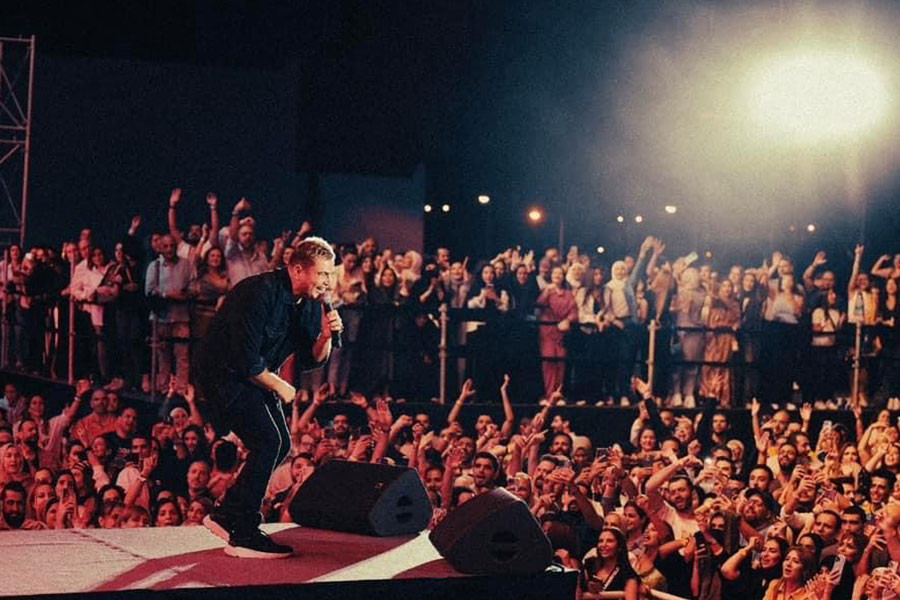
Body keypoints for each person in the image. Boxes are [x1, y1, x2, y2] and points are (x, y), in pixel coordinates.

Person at [197, 236, 342, 558]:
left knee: (282, 444)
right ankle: (244, 531)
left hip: (256, 378)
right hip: (222, 377)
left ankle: (227, 513)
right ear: (298, 269)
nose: (327, 282)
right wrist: (280, 386)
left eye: (330, 275)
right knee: (268, 441)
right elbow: (245, 361)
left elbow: (313, 359)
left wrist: (326, 336)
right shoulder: (257, 292)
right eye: (322, 274)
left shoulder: (308, 303)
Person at [582, 526, 641, 600]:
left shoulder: (627, 575)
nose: (603, 545)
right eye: (601, 541)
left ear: (619, 546)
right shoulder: (589, 565)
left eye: (609, 541)